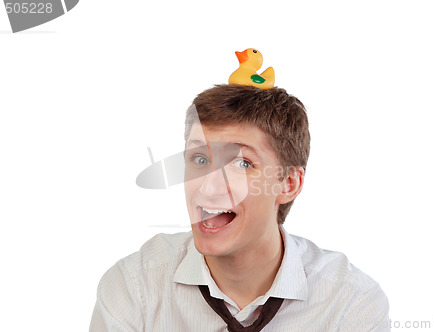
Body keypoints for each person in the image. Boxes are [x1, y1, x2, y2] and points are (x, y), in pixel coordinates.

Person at [89, 84, 390, 331]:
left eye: (242, 163)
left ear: (288, 184)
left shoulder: (350, 303)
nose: (207, 186)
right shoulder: (134, 287)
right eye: (200, 159)